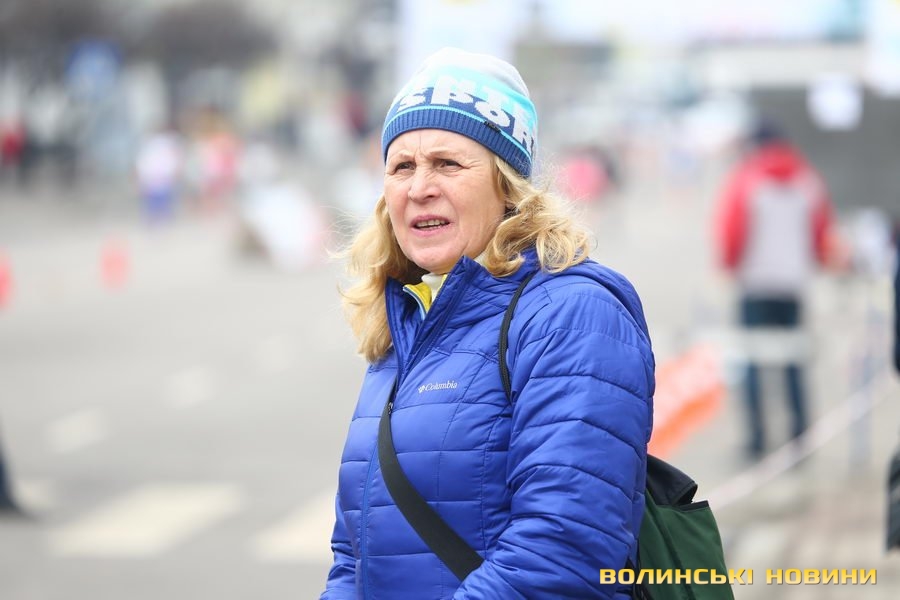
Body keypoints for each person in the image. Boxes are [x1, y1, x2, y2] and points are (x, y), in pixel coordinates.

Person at [321, 48, 655, 599]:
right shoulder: (407, 322)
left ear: (508, 186)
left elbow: (563, 552)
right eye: (402, 167)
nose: (419, 187)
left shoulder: (571, 314)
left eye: (448, 164)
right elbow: (353, 554)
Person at [714, 119, 836, 460]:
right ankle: (800, 435)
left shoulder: (746, 179)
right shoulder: (808, 180)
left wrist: (730, 266)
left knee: (753, 361)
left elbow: (732, 232)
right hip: (793, 283)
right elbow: (821, 232)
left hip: (755, 283)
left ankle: (757, 438)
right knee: (794, 362)